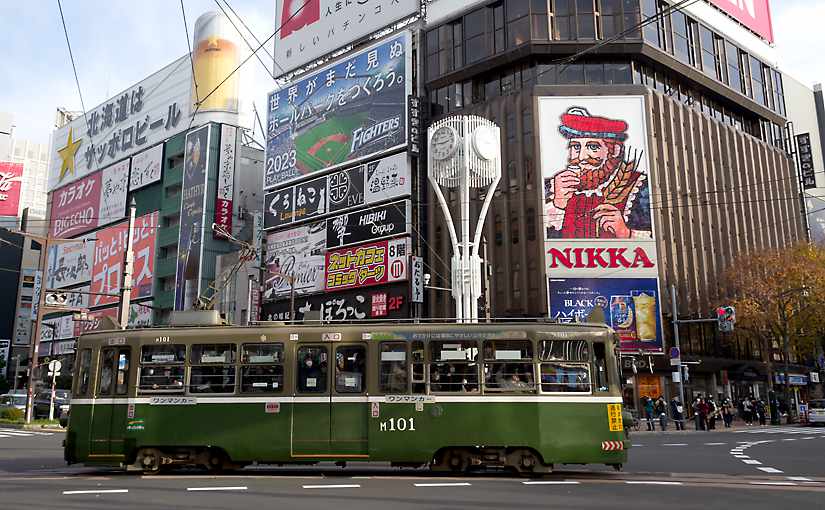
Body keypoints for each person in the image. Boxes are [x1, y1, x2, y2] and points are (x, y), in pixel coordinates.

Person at [544, 107, 652, 240]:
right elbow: (534, 241)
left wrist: (625, 232)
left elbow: (661, 241)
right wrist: (557, 206)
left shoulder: (640, 186)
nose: (582, 156)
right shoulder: (551, 187)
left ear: (615, 150)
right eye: (576, 147)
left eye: (593, 147)